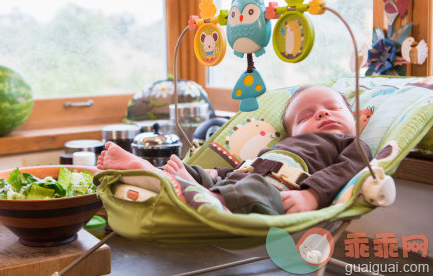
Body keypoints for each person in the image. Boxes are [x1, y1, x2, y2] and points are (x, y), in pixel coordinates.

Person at [97, 85, 372, 215]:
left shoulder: (350, 144)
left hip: (282, 187)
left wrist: (312, 195)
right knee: (204, 172)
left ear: (356, 119)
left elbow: (348, 170)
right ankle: (154, 173)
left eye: (333, 108)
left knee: (255, 190)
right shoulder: (280, 146)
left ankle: (208, 199)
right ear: (292, 133)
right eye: (307, 116)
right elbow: (245, 168)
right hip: (247, 172)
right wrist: (211, 172)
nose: (323, 113)